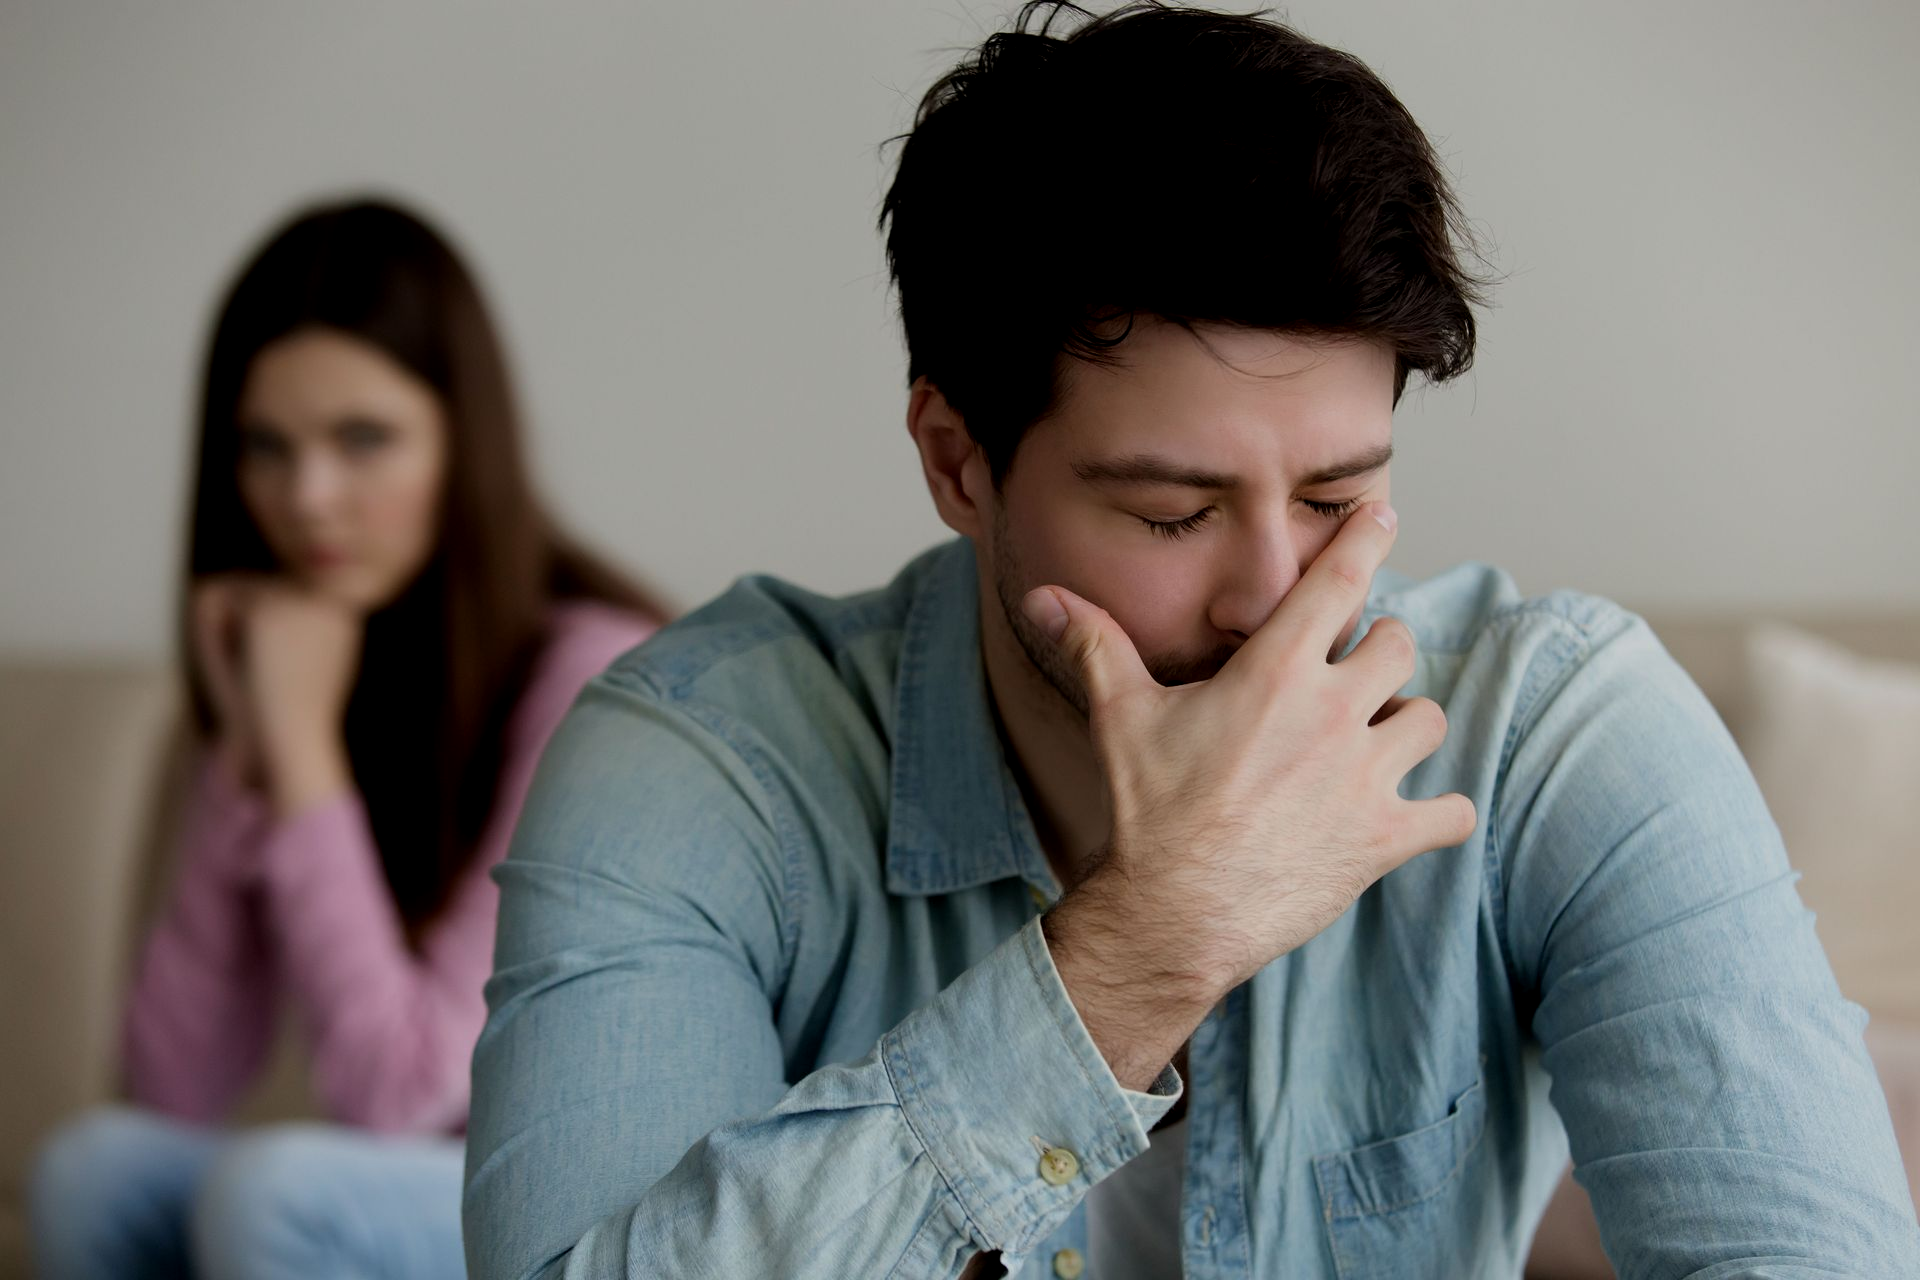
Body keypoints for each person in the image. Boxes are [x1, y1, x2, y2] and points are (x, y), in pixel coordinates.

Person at [461, 5, 1920, 1277]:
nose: (1276, 594)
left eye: (1340, 497)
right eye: (1172, 512)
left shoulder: (1553, 734)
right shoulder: (703, 762)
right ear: (960, 461)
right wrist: (1140, 952)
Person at [29, 198, 665, 1280]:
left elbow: (406, 1088)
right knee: (92, 1165)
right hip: (441, 1187)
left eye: (362, 438)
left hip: (631, 1202)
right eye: (266, 447)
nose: (307, 497)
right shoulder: (322, 660)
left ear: (462, 439)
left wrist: (303, 750)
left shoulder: (594, 675)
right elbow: (173, 1086)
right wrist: (250, 752)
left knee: (276, 1195)